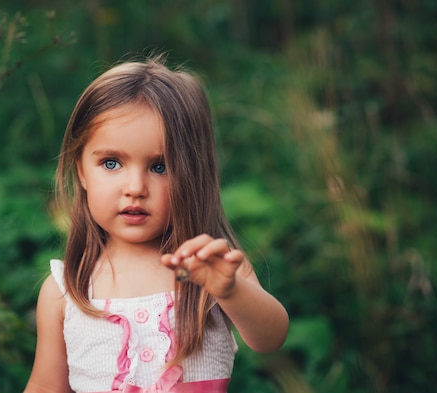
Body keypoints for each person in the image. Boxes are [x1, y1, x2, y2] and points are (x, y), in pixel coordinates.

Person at [23, 55, 289, 393]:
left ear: (192, 174)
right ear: (81, 171)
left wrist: (231, 291)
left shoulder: (212, 269)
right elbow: (46, 387)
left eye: (160, 167)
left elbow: (271, 338)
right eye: (111, 163)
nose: (135, 187)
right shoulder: (66, 289)